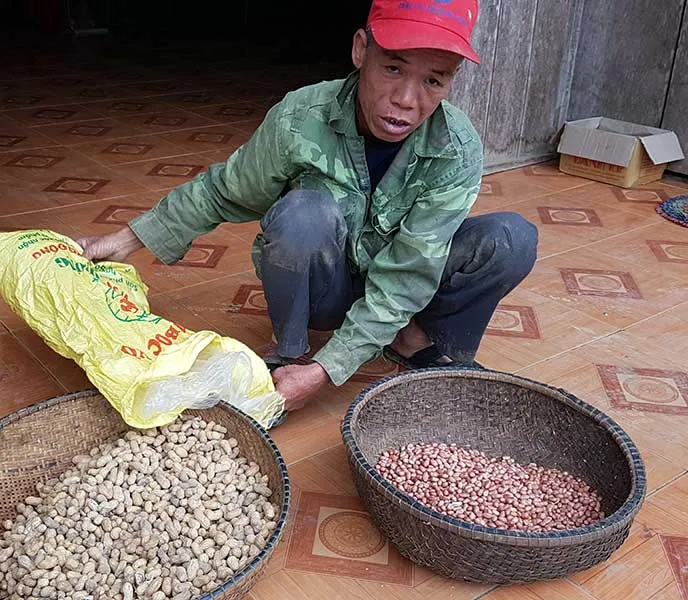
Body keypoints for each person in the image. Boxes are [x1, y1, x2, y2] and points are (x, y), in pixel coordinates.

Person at [77, 0, 538, 413]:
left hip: (399, 285)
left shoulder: (456, 147)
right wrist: (126, 239)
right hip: (326, 292)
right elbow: (225, 190)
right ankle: (290, 350)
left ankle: (413, 338)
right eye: (393, 69)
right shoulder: (301, 117)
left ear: (451, 80)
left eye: (433, 80)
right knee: (303, 213)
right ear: (361, 50)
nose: (405, 100)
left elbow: (410, 273)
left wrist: (326, 371)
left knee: (511, 239)